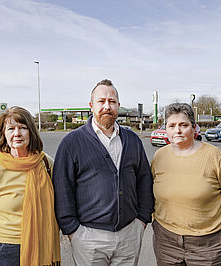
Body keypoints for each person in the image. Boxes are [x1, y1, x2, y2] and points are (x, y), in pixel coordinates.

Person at [52, 79, 154, 265]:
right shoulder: (72, 143)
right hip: (88, 238)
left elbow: (144, 181)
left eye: (112, 101)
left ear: (118, 106)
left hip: (129, 235)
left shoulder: (132, 140)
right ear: (91, 105)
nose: (107, 106)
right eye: (101, 101)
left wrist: (142, 220)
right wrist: (73, 231)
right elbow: (62, 188)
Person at [151, 103, 221, 265]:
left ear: (194, 127)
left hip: (209, 245)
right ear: (165, 128)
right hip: (166, 242)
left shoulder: (215, 157)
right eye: (171, 125)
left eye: (183, 125)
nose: (177, 130)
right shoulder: (159, 156)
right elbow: (150, 192)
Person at [0, 106, 61, 266]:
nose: (17, 133)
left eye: (23, 128)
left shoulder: (46, 163)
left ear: (31, 132)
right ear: (4, 134)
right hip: (6, 251)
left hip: (42, 245)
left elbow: (63, 199)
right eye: (11, 128)